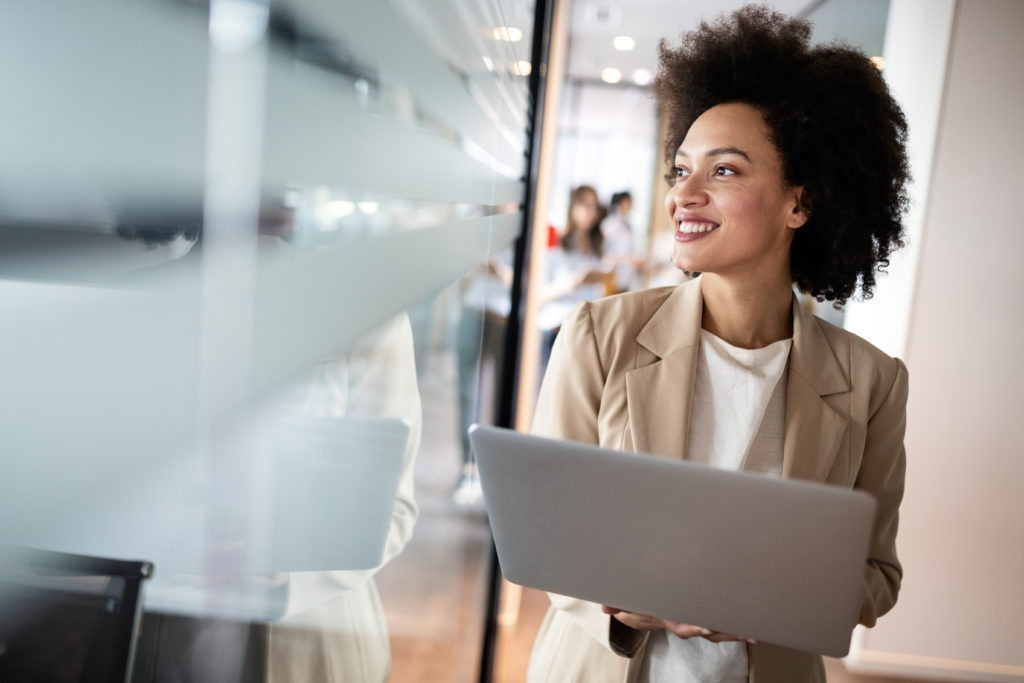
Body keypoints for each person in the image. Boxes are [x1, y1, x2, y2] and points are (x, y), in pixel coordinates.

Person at [526, 6, 910, 683]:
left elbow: (875, 577)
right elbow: (545, 538)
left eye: (724, 171)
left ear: (800, 203)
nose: (684, 196)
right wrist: (637, 603)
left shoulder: (872, 381)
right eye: (681, 170)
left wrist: (773, 602)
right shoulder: (599, 337)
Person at [537, 185, 610, 370]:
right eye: (585, 204)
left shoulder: (597, 247)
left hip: (586, 333)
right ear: (572, 206)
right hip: (557, 329)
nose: (591, 211)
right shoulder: (556, 244)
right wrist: (575, 281)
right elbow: (539, 294)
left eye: (594, 206)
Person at [600, 191, 642, 293]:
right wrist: (627, 260)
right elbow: (603, 253)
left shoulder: (627, 225)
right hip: (612, 277)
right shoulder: (609, 224)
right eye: (628, 202)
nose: (631, 206)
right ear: (620, 203)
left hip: (627, 278)